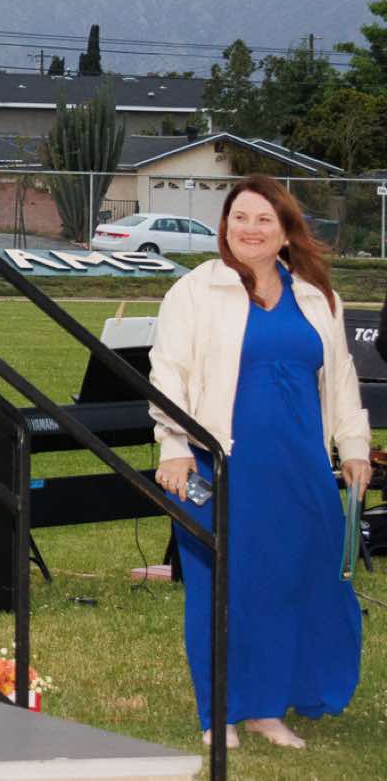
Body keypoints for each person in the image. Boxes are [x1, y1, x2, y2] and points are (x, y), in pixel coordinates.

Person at [149, 175, 369, 749]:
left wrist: (353, 448)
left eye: (263, 219)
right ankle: (219, 712)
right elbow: (167, 374)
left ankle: (267, 710)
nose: (249, 229)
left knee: (287, 585)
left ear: (286, 233)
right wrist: (174, 447)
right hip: (219, 465)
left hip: (298, 466)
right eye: (239, 217)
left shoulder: (317, 297)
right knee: (220, 589)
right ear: (225, 227)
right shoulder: (195, 291)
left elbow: (341, 379)